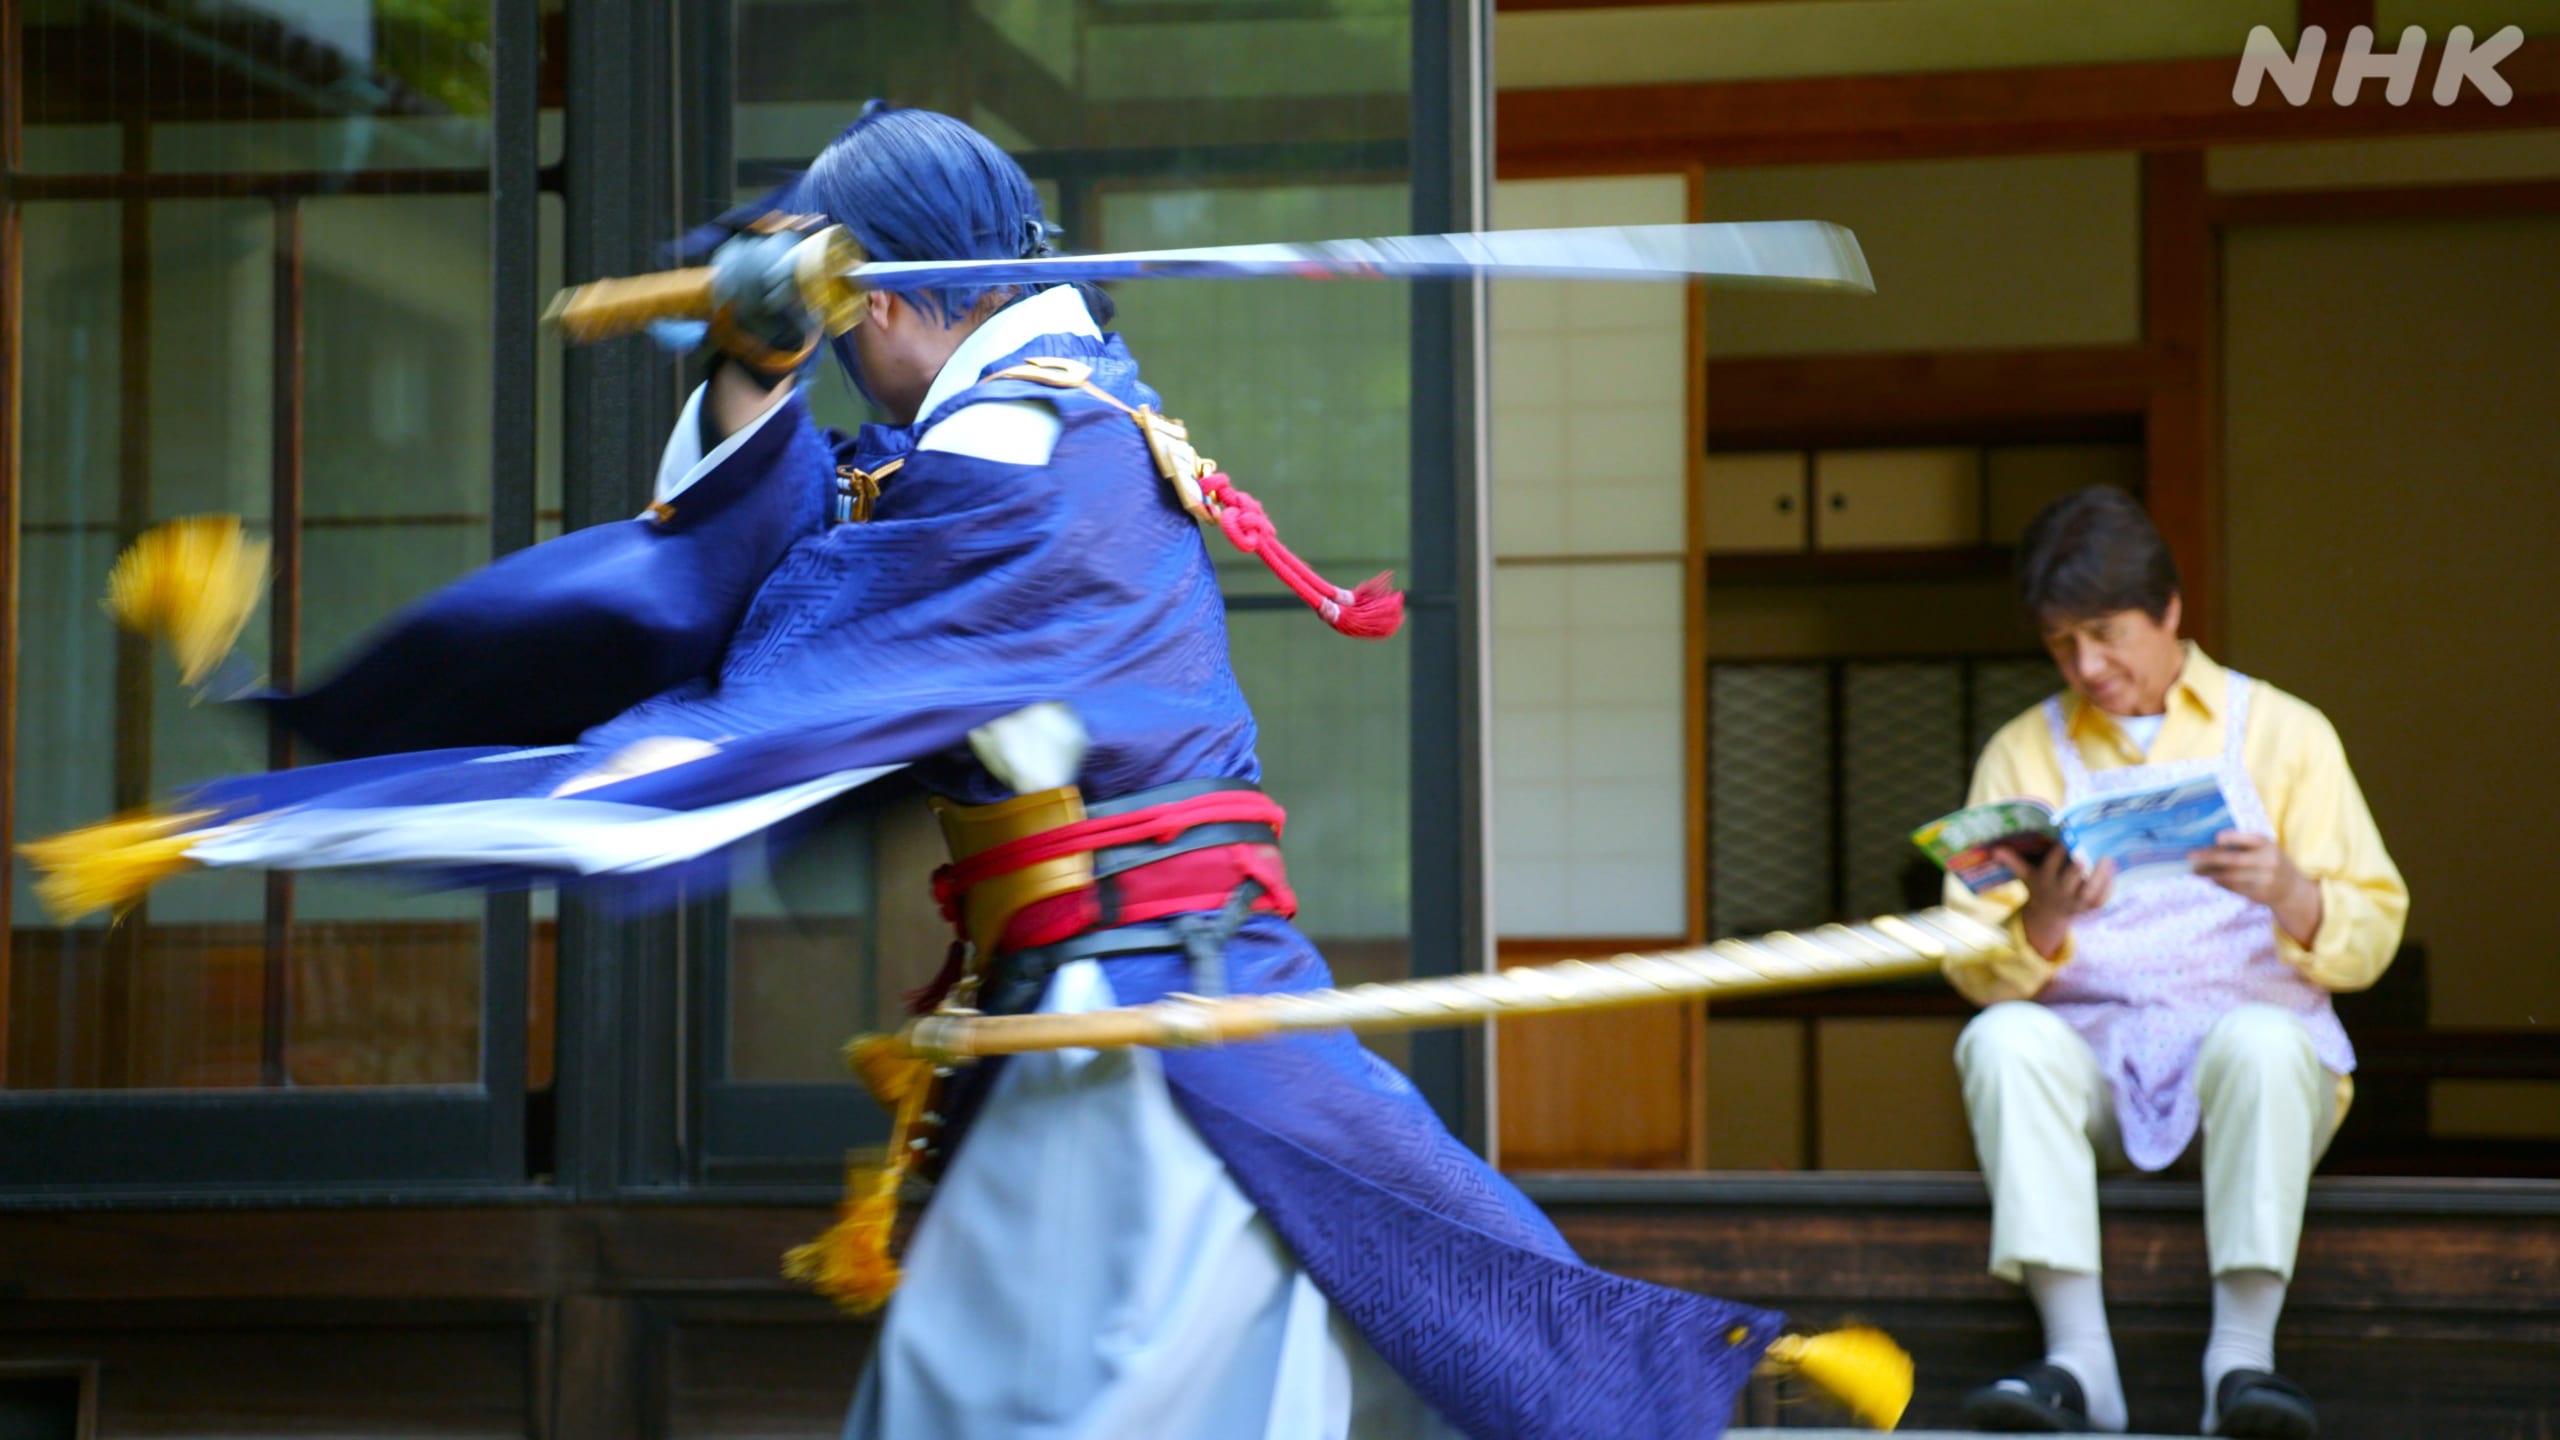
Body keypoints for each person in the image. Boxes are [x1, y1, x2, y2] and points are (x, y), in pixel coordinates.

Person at [38, 106, 1788, 1439]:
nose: (842, 348)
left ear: (903, 292)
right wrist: (750, 363)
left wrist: (271, 822)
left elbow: (715, 734)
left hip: (1138, 1047)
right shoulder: (1010, 432)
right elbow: (755, 571)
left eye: (842, 300)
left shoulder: (1029, 461)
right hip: (1103, 1027)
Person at [1943, 487, 2408, 1439]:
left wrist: (2291, 890)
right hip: (2096, 1070)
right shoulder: (2022, 749)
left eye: (2108, 634)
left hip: (2252, 1073)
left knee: (2266, 1043)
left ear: (2170, 612)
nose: (2088, 665)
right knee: (2001, 1039)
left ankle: (2241, 1363)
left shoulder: (2286, 733)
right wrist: (2043, 918)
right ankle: (2079, 1363)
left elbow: (2376, 924)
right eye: (2063, 643)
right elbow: (1969, 952)